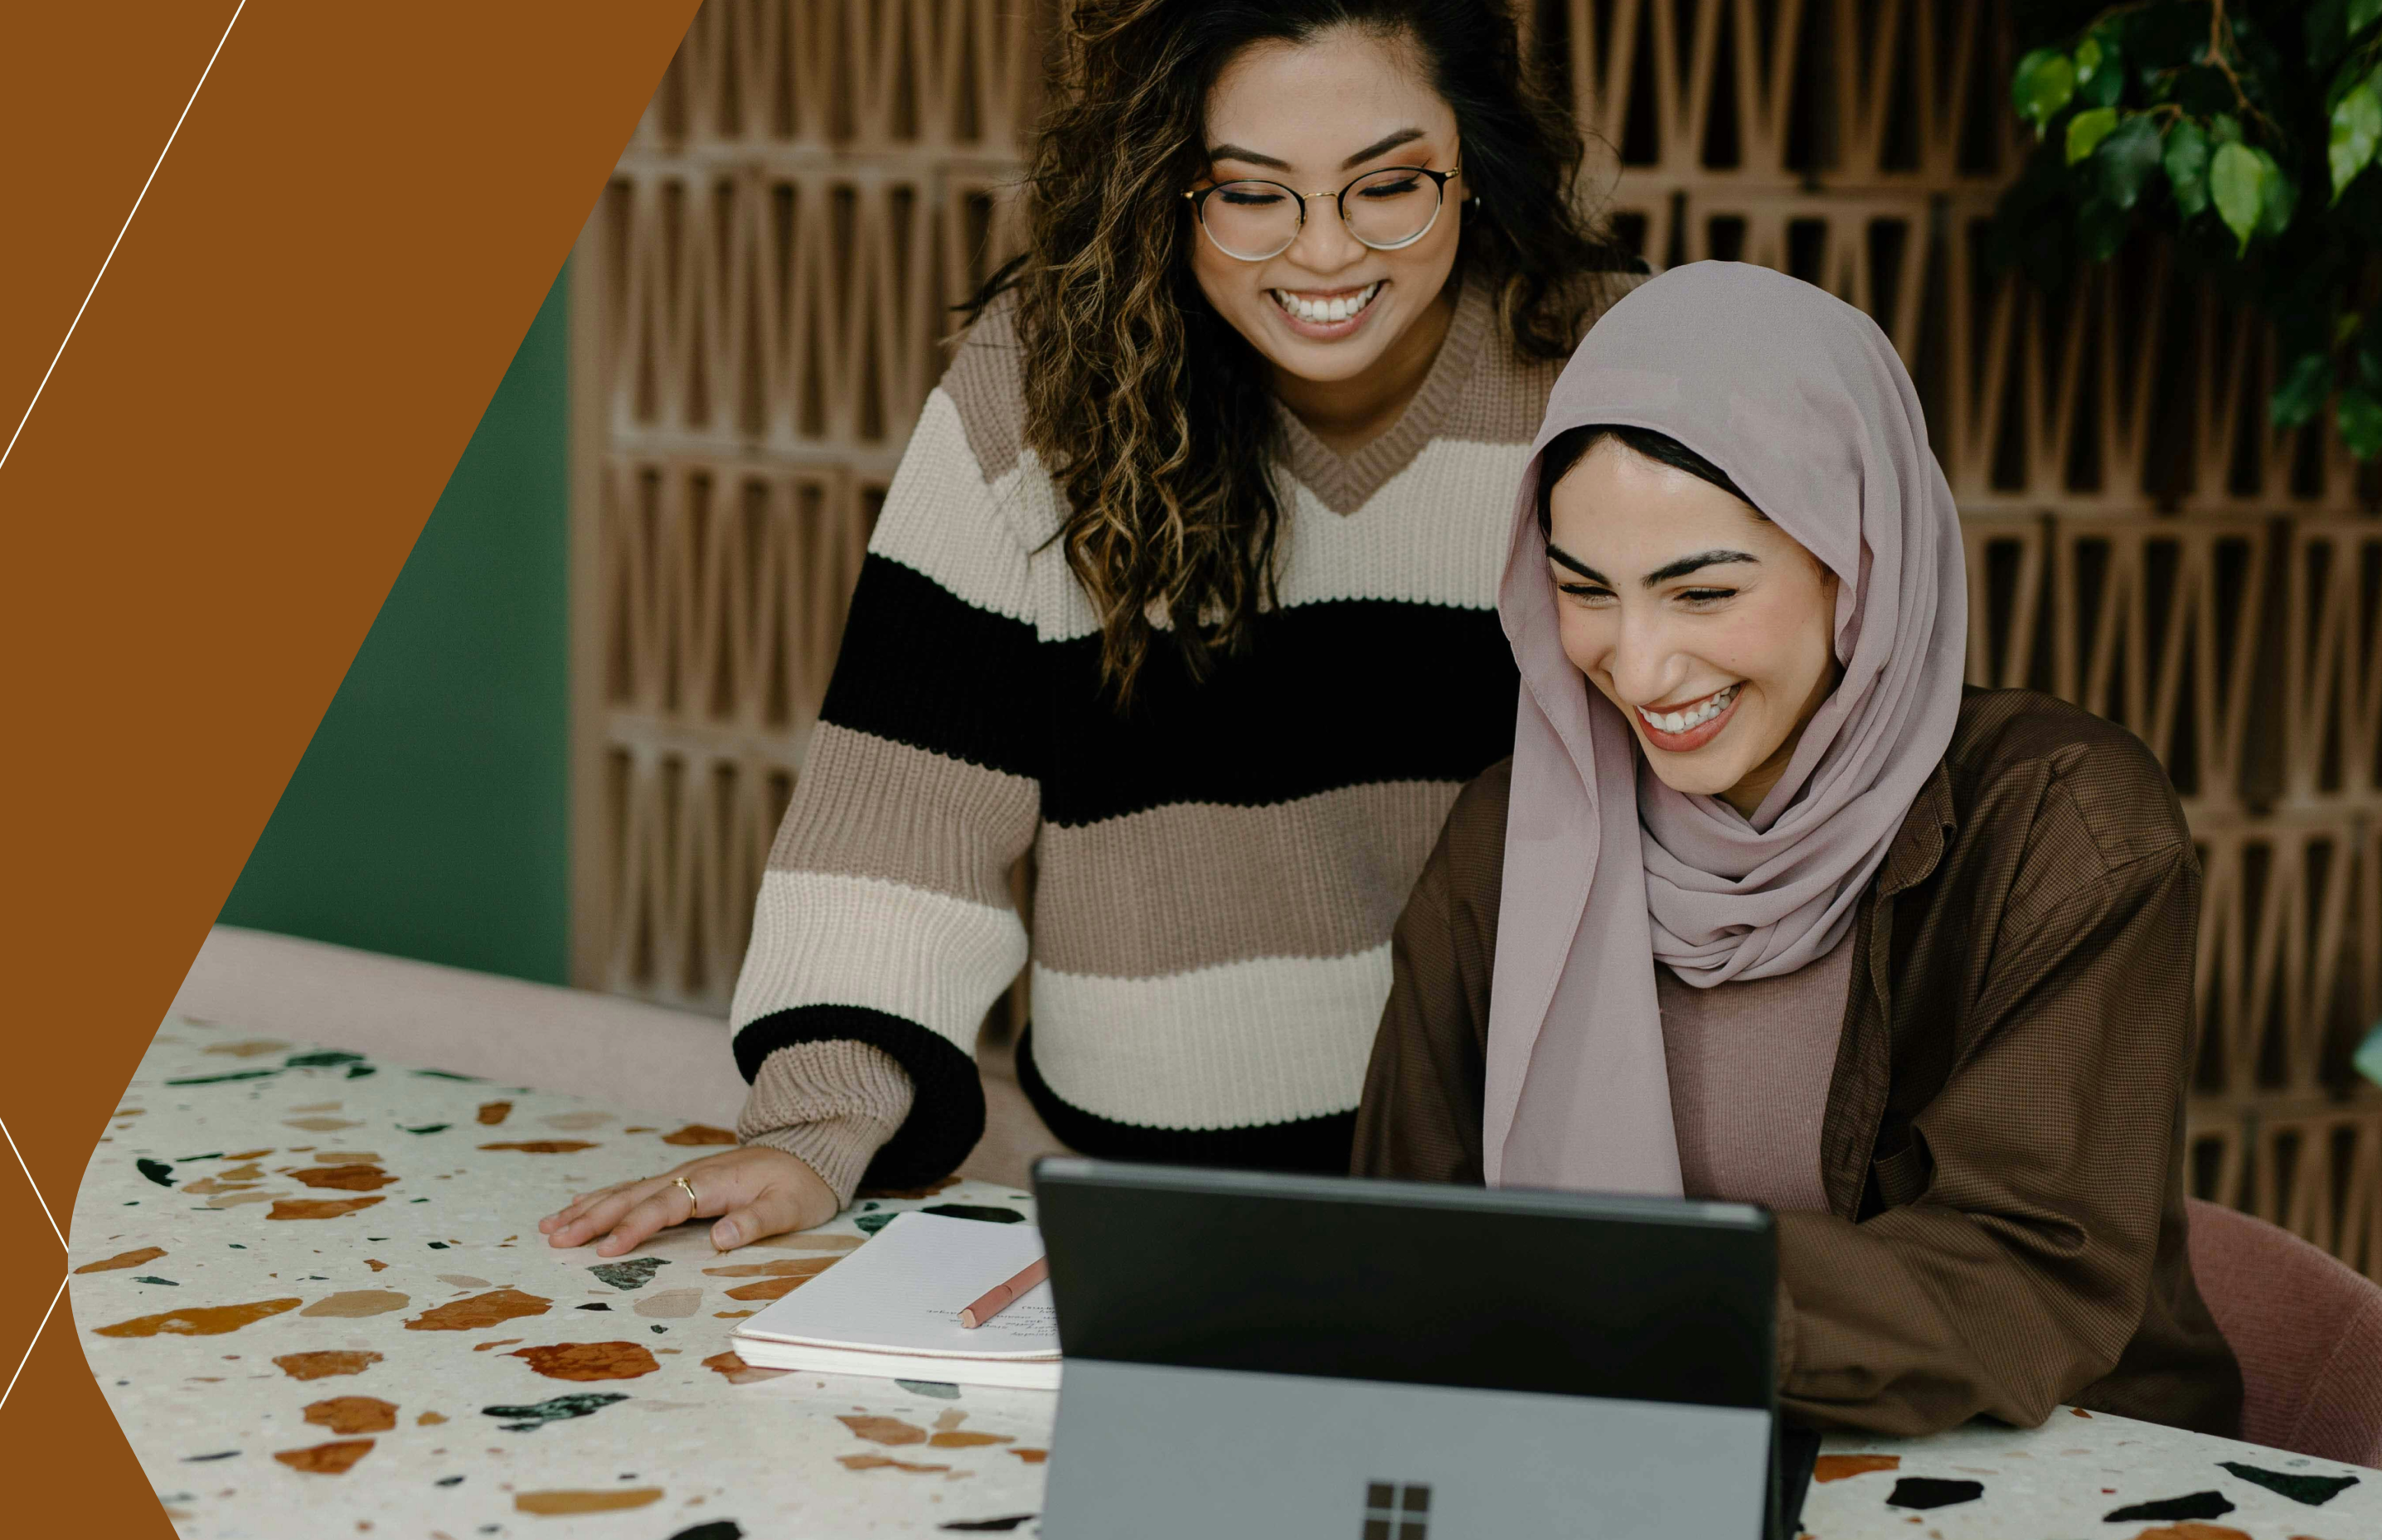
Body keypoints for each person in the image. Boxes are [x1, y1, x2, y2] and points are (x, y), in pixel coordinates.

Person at [542, 0, 1633, 1259]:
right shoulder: (1040, 385)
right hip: (1146, 1197)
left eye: (1387, 186)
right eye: (1251, 193)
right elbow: (908, 805)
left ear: (1473, 166)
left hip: (1527, 1184)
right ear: (1161, 188)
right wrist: (814, 1126)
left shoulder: (1600, 364)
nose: (1324, 252)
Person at [1351, 263, 2243, 1437]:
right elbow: (1399, 1234)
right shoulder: (1514, 840)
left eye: (1703, 594)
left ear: (1856, 559)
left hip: (2038, 1494)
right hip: (1621, 1467)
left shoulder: (2061, 829)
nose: (1641, 665)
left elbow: (2025, 1277)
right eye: (1586, 591)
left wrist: (1630, 1298)